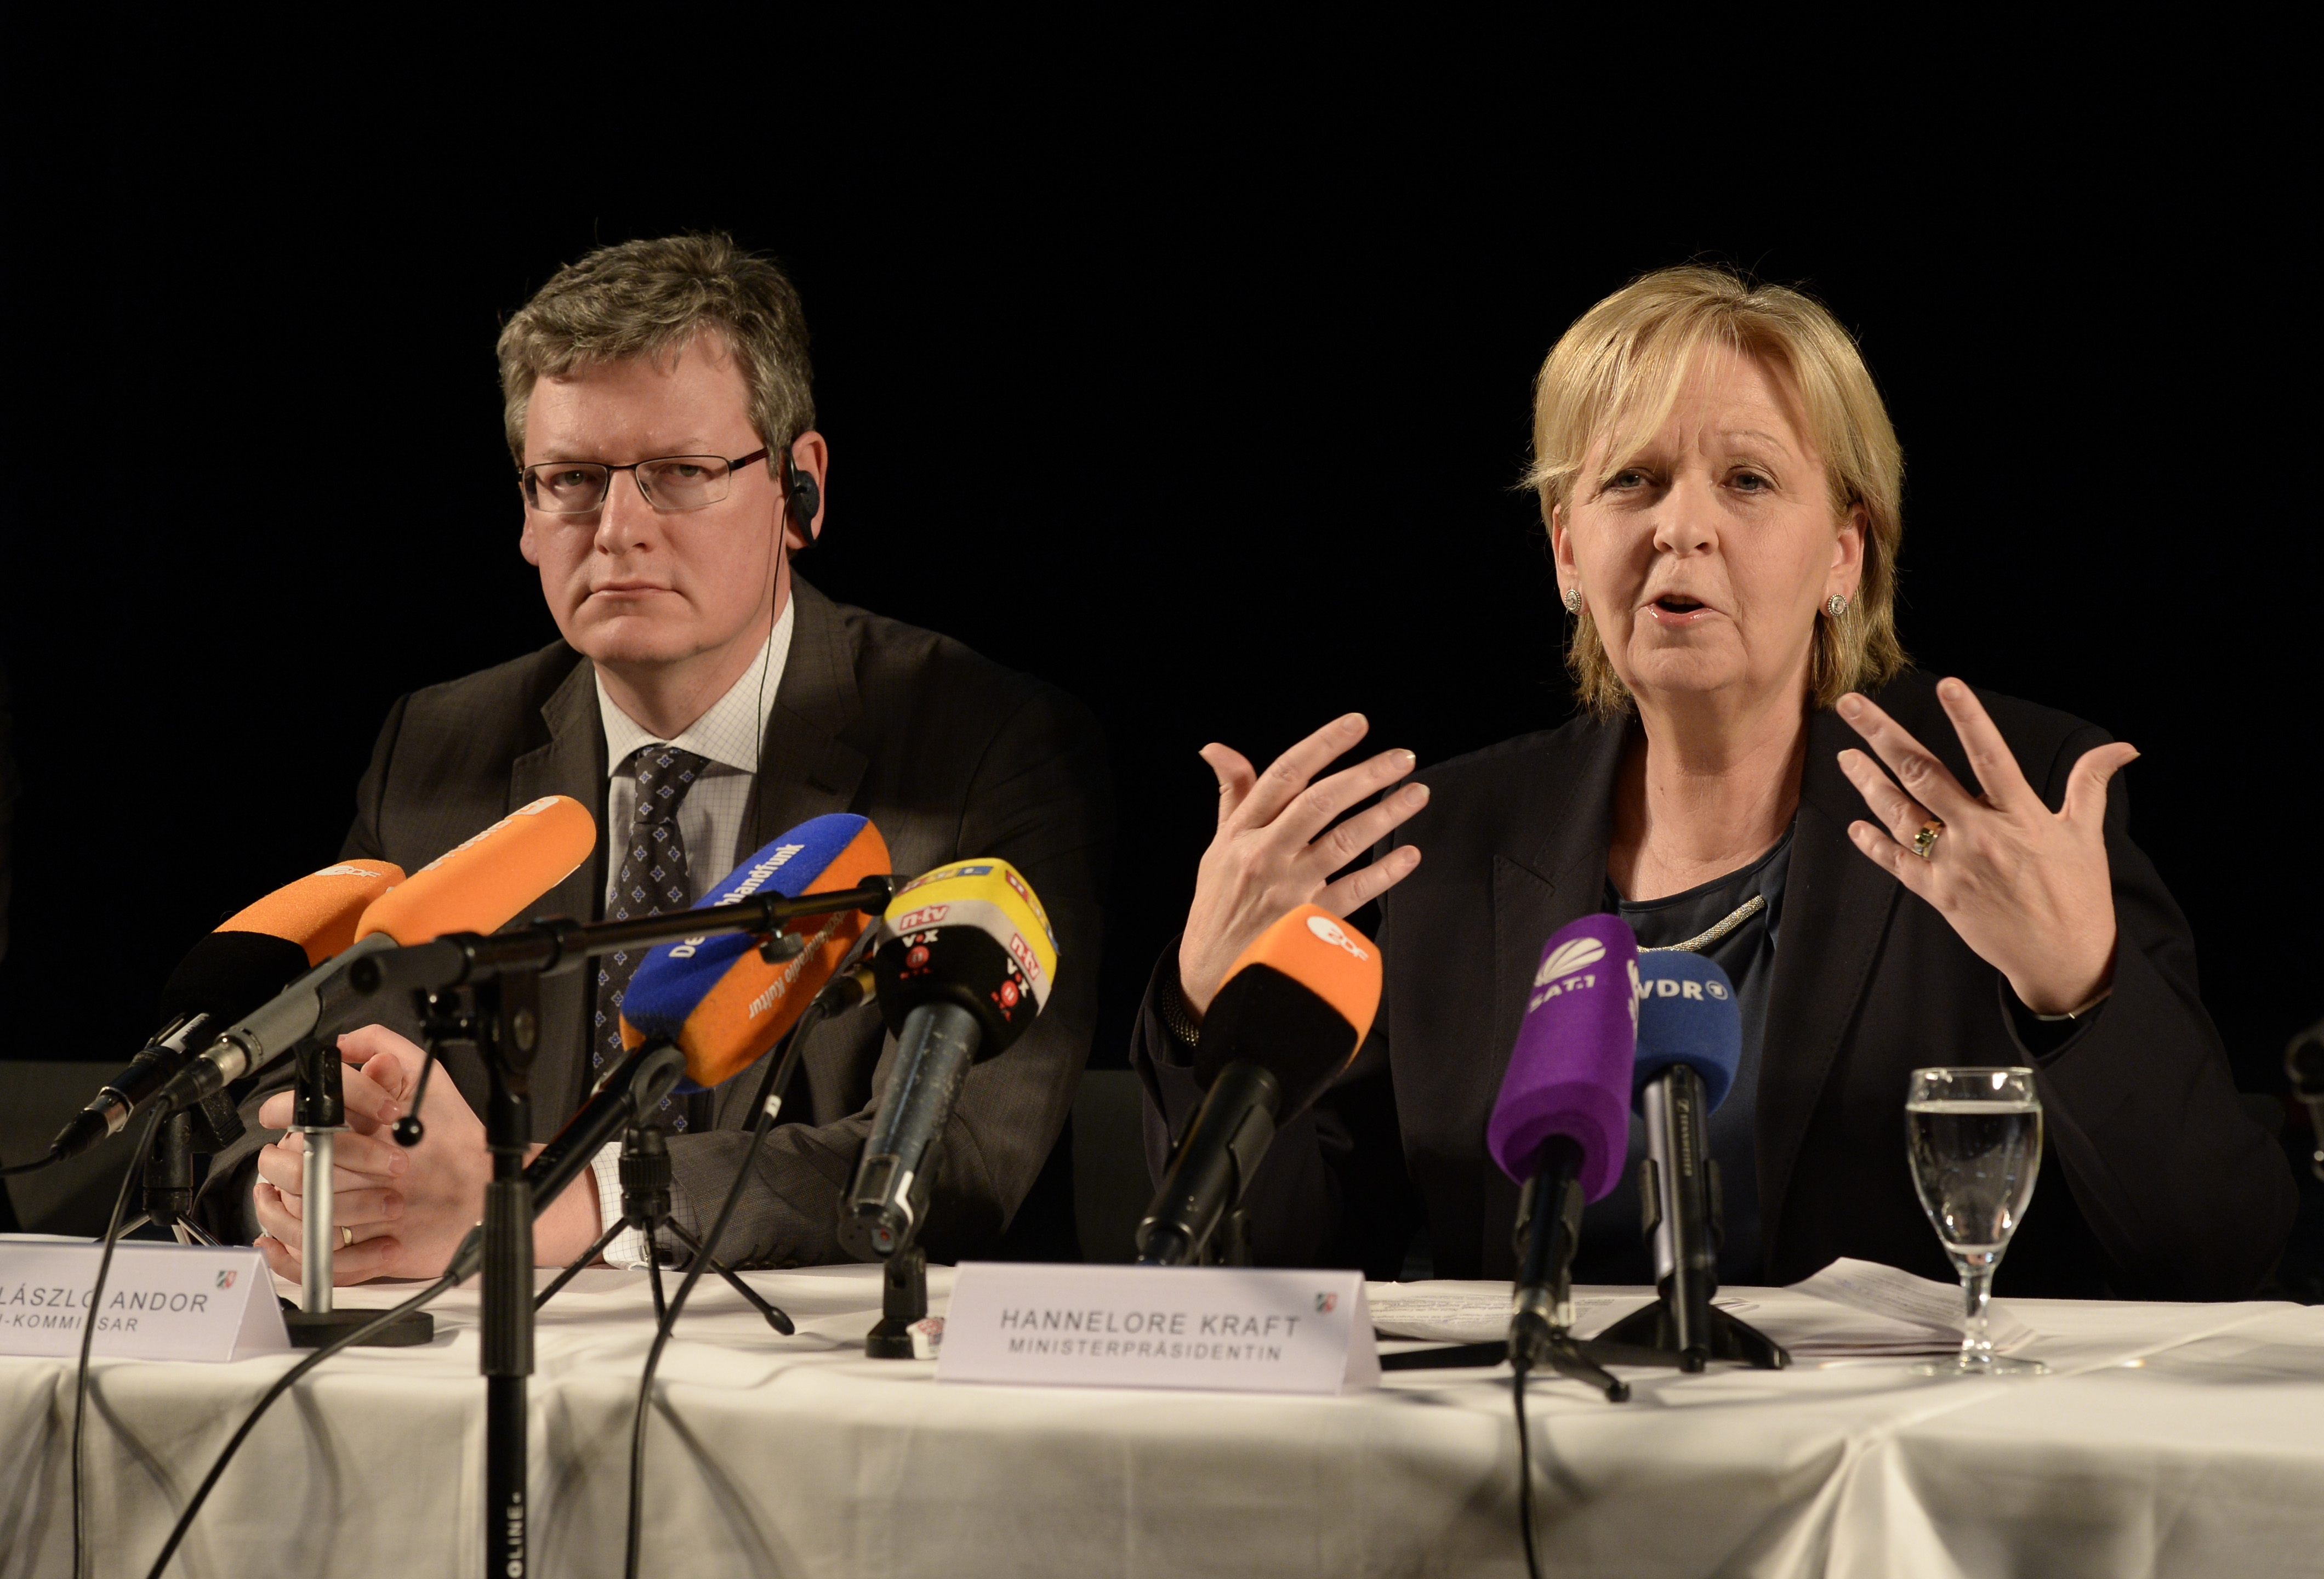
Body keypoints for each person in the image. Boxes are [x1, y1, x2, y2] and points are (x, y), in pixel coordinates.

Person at [1136, 265, 2294, 1299]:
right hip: (1532, 1450)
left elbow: (2221, 1256)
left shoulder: (2006, 811)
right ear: (1566, 550)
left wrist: (2078, 990)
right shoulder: (1447, 850)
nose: (1678, 528)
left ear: (1844, 554)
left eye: (1746, 480)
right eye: (1631, 481)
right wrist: (1207, 1006)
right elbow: (1266, 1279)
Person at [194, 233, 1112, 1278]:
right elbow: (275, 1104)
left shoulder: (985, 746)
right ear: (528, 513)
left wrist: (544, 1205)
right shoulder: (439, 750)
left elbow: (956, 1163)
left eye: (680, 472)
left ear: (800, 490)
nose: (618, 529)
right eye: (572, 479)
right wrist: (309, 1180)